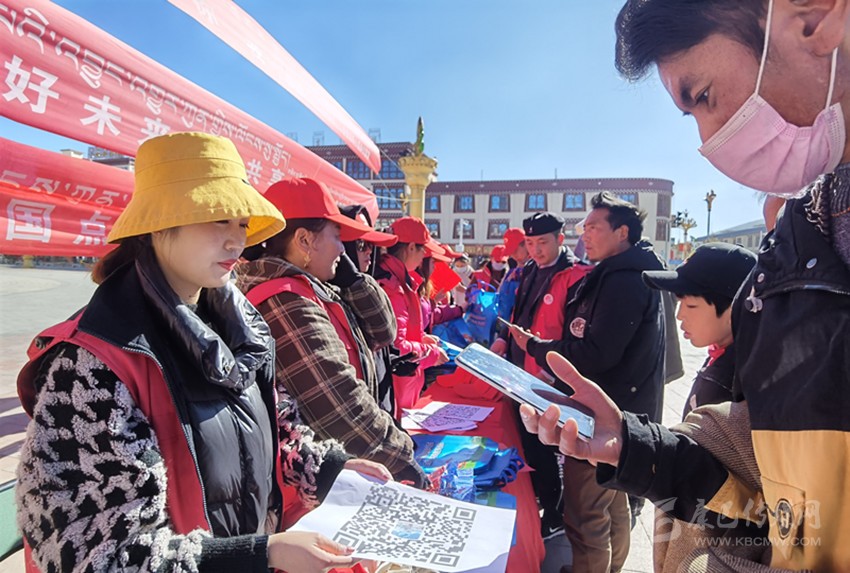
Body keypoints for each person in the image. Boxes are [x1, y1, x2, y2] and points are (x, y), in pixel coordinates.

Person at [523, 1, 850, 570]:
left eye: (702, 95)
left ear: (815, 18)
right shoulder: (804, 243)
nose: (707, 138)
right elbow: (774, 510)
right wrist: (637, 449)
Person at [14, 132, 380, 573]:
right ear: (159, 224)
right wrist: (260, 553)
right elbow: (94, 551)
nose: (236, 241)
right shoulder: (90, 364)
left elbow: (275, 428)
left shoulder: (244, 328)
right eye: (218, 219)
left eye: (242, 223)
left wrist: (332, 468)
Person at [509, 193, 666, 573]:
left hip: (603, 414)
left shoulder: (623, 281)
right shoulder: (620, 273)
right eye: (585, 227)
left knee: (585, 513)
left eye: (594, 227)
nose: (586, 234)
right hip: (619, 410)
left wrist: (538, 347)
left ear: (622, 232)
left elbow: (597, 353)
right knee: (613, 502)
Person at [236, 178, 426, 487]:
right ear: (304, 240)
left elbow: (382, 332)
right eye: (337, 237)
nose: (343, 249)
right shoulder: (285, 301)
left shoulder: (314, 288)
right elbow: (340, 408)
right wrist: (403, 455)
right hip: (320, 486)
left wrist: (353, 280)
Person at [490, 212, 589, 541]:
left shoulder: (575, 275)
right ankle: (542, 502)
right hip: (522, 371)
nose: (535, 250)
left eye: (542, 242)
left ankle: (556, 513)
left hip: (551, 376)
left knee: (549, 448)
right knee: (530, 444)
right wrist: (504, 339)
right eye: (530, 243)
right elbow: (519, 313)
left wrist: (551, 370)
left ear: (560, 239)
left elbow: (575, 333)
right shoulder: (529, 270)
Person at [643, 243, 757, 417]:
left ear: (734, 310)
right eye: (680, 303)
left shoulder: (734, 386)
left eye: (691, 305)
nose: (679, 315)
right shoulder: (724, 356)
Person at [376, 217, 449, 412]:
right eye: (422, 249)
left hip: (400, 386)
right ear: (410, 247)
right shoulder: (394, 287)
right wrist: (432, 353)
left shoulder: (397, 280)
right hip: (396, 389)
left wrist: (420, 337)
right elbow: (398, 347)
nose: (424, 254)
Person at [497, 227, 529, 322]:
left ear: (526, 244)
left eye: (515, 250)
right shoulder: (511, 273)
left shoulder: (537, 269)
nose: (513, 255)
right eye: (511, 252)